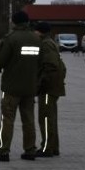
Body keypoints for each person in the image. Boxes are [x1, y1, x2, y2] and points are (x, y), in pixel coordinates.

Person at [0, 10, 40, 162]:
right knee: (29, 120)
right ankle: (30, 150)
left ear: (14, 22)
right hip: (30, 87)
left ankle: (4, 151)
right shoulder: (36, 39)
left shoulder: (11, 39)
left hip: (12, 87)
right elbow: (41, 62)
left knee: (7, 119)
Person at [35, 21, 66, 157]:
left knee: (46, 118)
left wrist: (41, 83)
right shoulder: (50, 42)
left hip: (48, 88)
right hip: (53, 86)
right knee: (50, 118)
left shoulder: (46, 44)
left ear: (40, 32)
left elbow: (51, 65)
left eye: (35, 31)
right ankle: (53, 147)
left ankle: (47, 148)